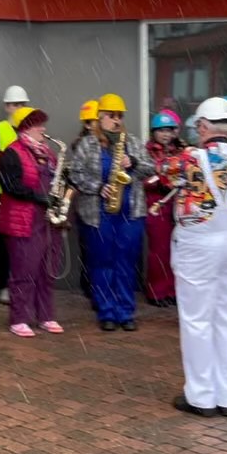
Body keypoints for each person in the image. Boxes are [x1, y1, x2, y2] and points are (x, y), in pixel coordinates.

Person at [158, 97, 227, 417]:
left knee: (197, 319)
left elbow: (163, 172)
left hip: (198, 243)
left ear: (203, 127)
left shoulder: (188, 158)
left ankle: (202, 396)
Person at [68, 93, 154, 331]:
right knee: (102, 262)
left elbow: (150, 167)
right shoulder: (87, 144)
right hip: (98, 212)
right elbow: (75, 174)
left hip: (130, 212)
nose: (116, 120)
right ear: (100, 118)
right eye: (111, 116)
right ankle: (106, 311)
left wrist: (133, 162)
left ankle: (126, 313)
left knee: (126, 262)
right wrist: (98, 187)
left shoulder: (133, 142)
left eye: (119, 116)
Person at [0, 107, 63, 338]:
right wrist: (39, 197)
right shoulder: (11, 153)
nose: (43, 129)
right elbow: (10, 185)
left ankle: (45, 315)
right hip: (23, 221)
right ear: (25, 127)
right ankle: (19, 318)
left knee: (47, 269)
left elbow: (57, 180)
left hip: (47, 220)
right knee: (24, 270)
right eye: (38, 125)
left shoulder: (48, 153)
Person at [0, 85, 30, 308]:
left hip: (26, 195)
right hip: (2, 196)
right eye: (14, 104)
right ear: (6, 106)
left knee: (24, 244)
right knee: (4, 244)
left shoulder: (31, 129)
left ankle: (21, 285)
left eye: (21, 104)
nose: (18, 108)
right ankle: (3, 285)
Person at [144, 112, 183, 307]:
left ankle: (172, 290)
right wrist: (159, 181)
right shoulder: (147, 151)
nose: (166, 135)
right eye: (161, 130)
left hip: (179, 204)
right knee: (159, 250)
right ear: (154, 132)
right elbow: (144, 176)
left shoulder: (180, 151)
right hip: (157, 205)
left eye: (169, 130)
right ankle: (156, 291)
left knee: (177, 251)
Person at [71, 99, 99, 300]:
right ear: (87, 124)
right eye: (93, 121)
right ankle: (90, 285)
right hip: (87, 206)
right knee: (90, 248)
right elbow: (79, 176)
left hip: (101, 206)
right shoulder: (83, 145)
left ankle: (95, 285)